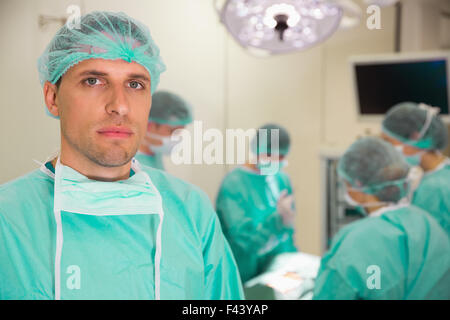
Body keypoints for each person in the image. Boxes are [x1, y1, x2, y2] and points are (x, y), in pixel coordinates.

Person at [0, 11, 243, 300]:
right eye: (93, 81)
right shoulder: (8, 219)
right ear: (53, 98)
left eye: (135, 84)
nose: (120, 106)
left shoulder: (191, 211)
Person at [313, 137, 450, 300]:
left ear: (357, 188)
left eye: (345, 183)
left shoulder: (358, 241)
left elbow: (335, 291)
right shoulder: (427, 223)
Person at [216, 123, 298, 283]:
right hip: (243, 272)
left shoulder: (281, 179)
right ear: (257, 150)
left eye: (281, 156)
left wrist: (291, 261)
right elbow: (247, 243)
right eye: (270, 154)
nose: (276, 161)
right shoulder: (234, 184)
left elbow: (287, 235)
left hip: (276, 271)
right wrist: (278, 219)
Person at [381, 102, 449, 236]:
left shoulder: (434, 188)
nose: (386, 149)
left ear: (415, 137)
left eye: (389, 141)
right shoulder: (444, 172)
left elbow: (427, 242)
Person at [135, 90, 193, 170]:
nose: (177, 138)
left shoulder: (154, 155)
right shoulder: (131, 164)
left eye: (180, 132)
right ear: (148, 125)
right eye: (172, 131)